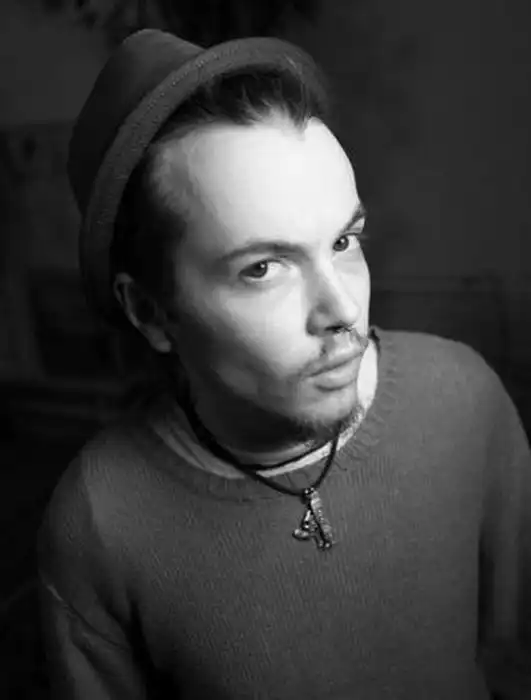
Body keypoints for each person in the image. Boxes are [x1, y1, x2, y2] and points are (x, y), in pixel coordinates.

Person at [37, 28, 531, 699]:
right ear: (151, 313)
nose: (342, 311)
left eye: (344, 241)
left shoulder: (464, 400)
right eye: (263, 268)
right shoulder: (97, 521)